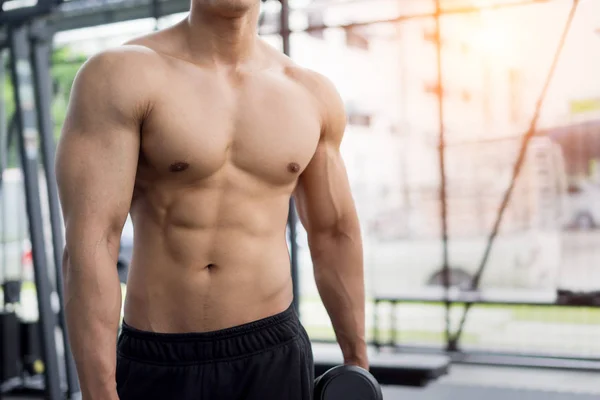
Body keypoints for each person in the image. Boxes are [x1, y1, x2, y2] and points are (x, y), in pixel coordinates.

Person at [55, 0, 367, 399]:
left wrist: (357, 364)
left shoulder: (310, 93)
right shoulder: (121, 74)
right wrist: (99, 393)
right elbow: (92, 243)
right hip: (162, 357)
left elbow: (334, 233)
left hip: (273, 350)